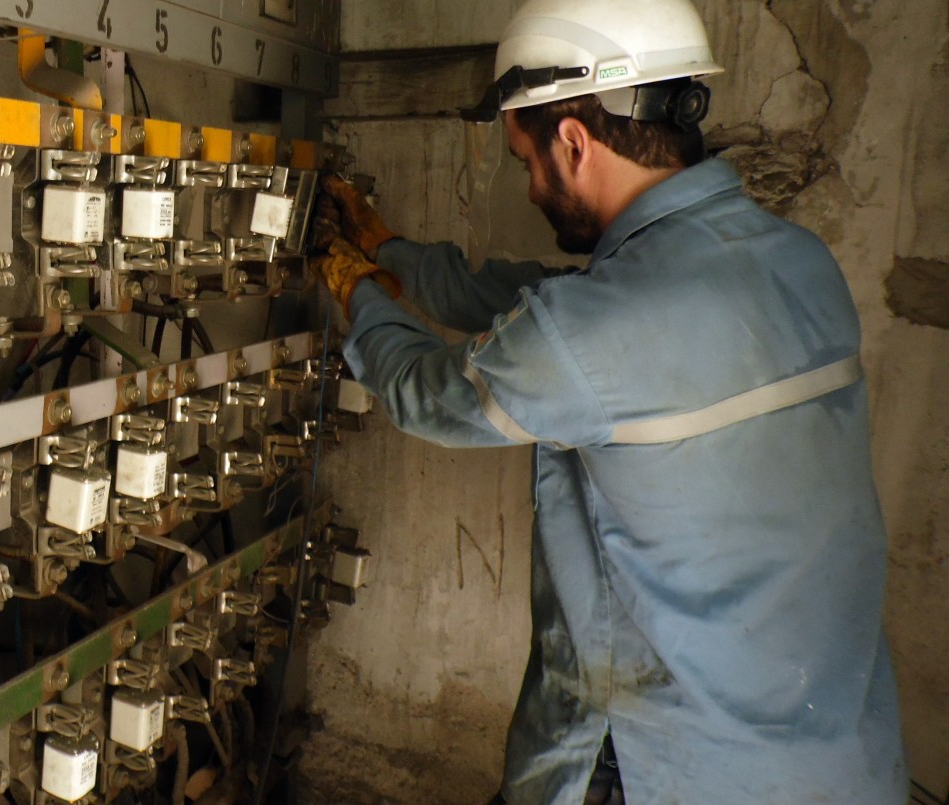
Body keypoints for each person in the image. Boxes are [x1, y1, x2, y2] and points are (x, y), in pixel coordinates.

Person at [310, 0, 907, 801]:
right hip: (837, 751)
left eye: (525, 163)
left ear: (574, 141)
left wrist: (356, 290)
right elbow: (545, 303)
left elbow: (430, 394)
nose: (528, 188)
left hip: (671, 765)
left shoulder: (594, 330)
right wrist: (391, 252)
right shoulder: (797, 263)